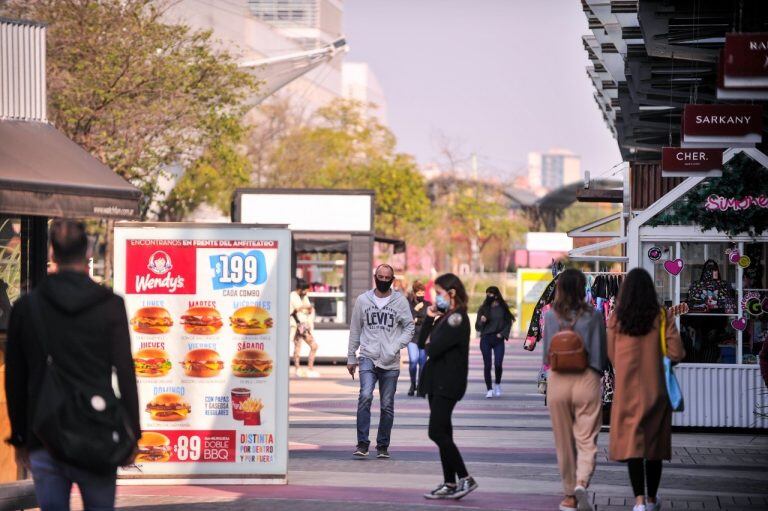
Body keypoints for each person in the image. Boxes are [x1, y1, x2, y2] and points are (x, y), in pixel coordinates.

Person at [5, 219, 140, 511]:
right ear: (88, 252)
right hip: (99, 431)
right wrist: (133, 435)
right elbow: (126, 372)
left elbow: (15, 378)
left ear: (52, 253)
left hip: (44, 433)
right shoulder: (110, 304)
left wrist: (19, 437)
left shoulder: (27, 307)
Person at [608, 268, 685, 511]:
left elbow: (611, 355)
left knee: (633, 445)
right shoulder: (662, 317)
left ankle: (638, 501)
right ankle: (652, 499)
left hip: (627, 392)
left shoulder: (616, 319)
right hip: (656, 391)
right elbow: (677, 353)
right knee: (654, 447)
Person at [541, 269, 607, 511]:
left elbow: (547, 352)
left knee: (563, 441)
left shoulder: (550, 316)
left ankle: (569, 496)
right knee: (587, 439)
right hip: (586, 377)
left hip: (558, 379)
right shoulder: (595, 315)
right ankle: (581, 481)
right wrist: (595, 374)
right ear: (582, 288)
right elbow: (600, 352)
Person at [418, 273, 478, 500]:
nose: (436, 297)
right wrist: (429, 317)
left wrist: (431, 341)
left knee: (435, 432)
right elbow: (423, 343)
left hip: (447, 382)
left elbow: (432, 349)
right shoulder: (446, 316)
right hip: (436, 382)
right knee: (444, 432)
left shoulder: (457, 318)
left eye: (439, 293)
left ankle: (465, 478)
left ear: (451, 293)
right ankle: (450, 483)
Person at [347, 263, 415, 459]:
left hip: (390, 361)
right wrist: (351, 356)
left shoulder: (400, 301)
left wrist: (396, 346)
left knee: (386, 404)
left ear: (392, 280)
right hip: (368, 356)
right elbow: (355, 329)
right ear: (375, 277)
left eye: (387, 278)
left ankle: (383, 445)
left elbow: (409, 328)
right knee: (365, 396)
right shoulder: (363, 300)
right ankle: (362, 444)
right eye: (380, 277)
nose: (384, 280)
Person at [475, 286, 515, 398]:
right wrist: (481, 321)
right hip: (486, 339)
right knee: (487, 365)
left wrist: (502, 334)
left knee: (498, 364)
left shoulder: (503, 307)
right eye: (487, 294)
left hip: (498, 339)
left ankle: (497, 384)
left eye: (491, 294)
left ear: (496, 295)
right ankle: (489, 389)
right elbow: (477, 327)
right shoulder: (483, 308)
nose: (489, 296)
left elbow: (509, 322)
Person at [290, 278, 319, 378]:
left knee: (299, 347)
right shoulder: (292, 296)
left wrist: (306, 308)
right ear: (301, 289)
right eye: (306, 289)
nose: (307, 291)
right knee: (311, 346)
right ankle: (305, 369)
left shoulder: (304, 296)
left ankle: (301, 369)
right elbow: (297, 309)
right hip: (298, 325)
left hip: (304, 324)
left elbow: (308, 308)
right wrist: (305, 308)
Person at [407, 281, 430, 396]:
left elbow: (429, 320)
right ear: (415, 293)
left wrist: (417, 320)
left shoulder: (428, 304)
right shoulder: (409, 304)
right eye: (419, 293)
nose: (421, 295)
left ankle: (421, 386)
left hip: (424, 338)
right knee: (412, 361)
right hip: (412, 337)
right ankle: (412, 384)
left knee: (422, 363)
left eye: (423, 293)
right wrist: (416, 310)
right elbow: (407, 319)